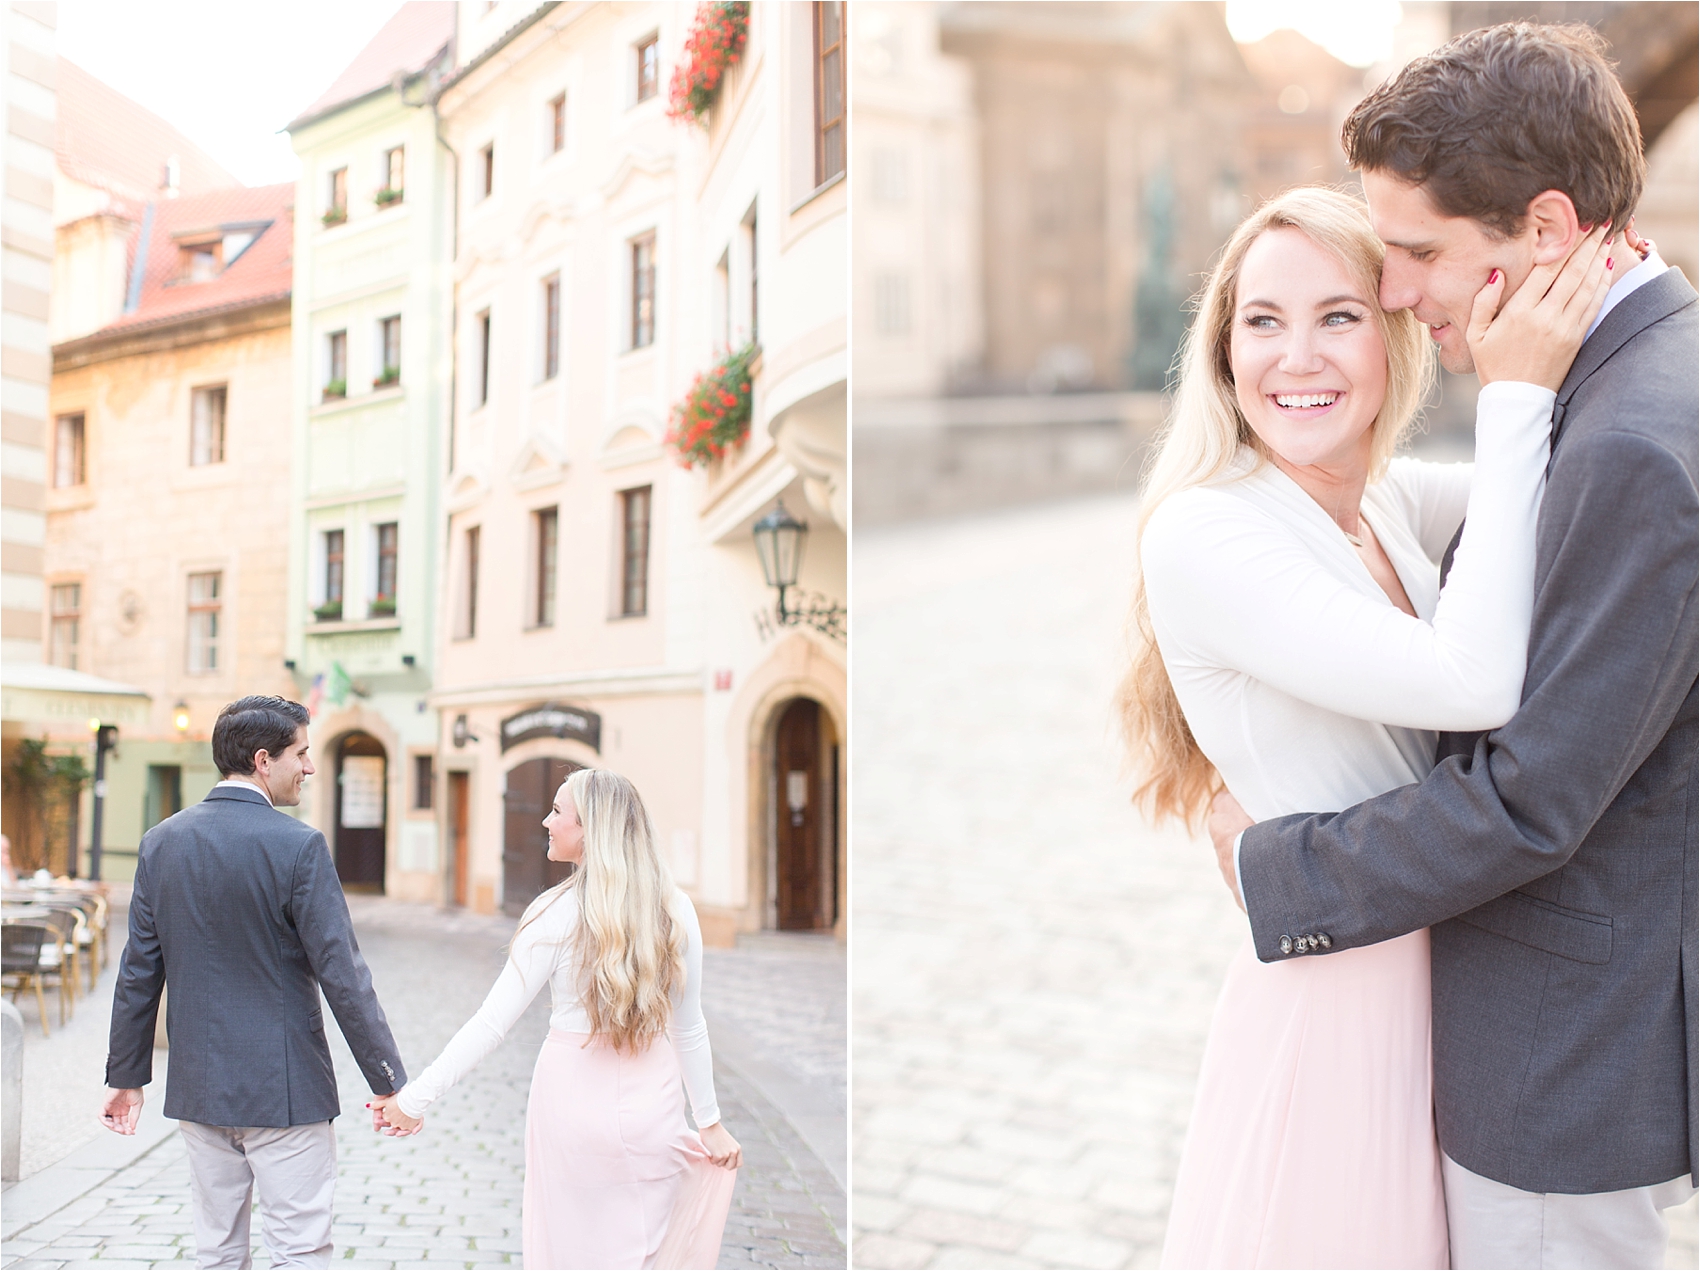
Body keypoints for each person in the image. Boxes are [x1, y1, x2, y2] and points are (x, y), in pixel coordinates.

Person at [1202, 22, 1698, 1270]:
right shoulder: (1636, 383)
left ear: (1541, 231)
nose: (1393, 293)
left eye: (1415, 251)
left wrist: (1278, 868)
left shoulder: (1628, 441)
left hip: (1551, 1060)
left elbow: (1533, 799)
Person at [1120, 182, 1612, 1267]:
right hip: (1336, 1003)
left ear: (1395, 336)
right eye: (1262, 321)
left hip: (1431, 985)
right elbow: (1474, 679)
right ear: (1221, 351)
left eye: (1337, 315)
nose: (1295, 356)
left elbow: (1568, 486)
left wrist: (1578, 291)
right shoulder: (1207, 529)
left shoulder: (1379, 500)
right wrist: (1515, 389)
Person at [369, 767, 740, 1270]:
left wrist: (414, 1099)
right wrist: (710, 1122)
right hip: (653, 1111)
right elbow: (688, 1025)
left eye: (559, 811)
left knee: (571, 1249)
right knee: (646, 1248)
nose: (545, 820)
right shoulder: (675, 909)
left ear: (590, 830)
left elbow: (491, 1024)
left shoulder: (553, 914)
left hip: (570, 1109)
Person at [103, 695, 408, 1269]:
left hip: (199, 1090)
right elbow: (343, 974)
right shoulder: (298, 845)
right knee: (299, 1250)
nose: (310, 767)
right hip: (285, 1090)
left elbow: (139, 971)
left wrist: (126, 1076)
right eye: (302, 753)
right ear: (264, 761)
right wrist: (389, 1080)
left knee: (216, 1250)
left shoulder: (161, 842)